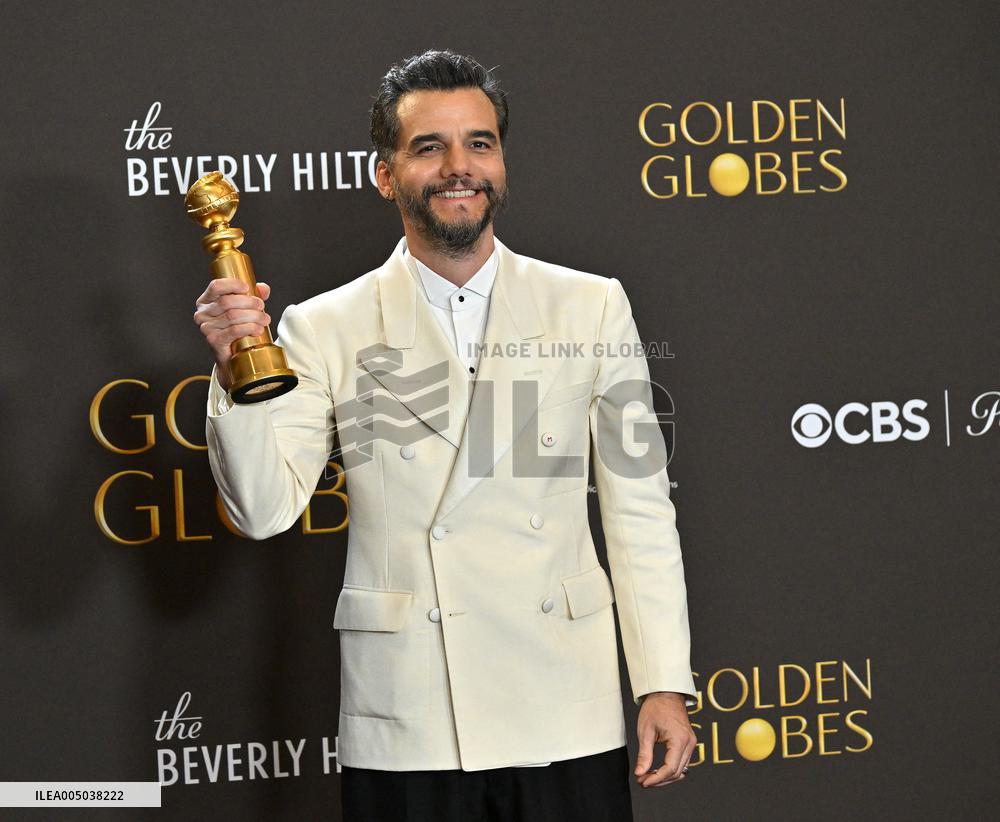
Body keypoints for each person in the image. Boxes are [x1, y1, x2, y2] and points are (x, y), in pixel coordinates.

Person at [194, 49, 698, 821]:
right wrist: (238, 369)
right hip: (413, 714)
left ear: (501, 161)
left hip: (564, 701)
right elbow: (263, 509)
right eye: (430, 147)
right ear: (386, 174)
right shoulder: (322, 325)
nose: (459, 166)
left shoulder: (590, 306)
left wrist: (662, 677)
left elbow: (639, 509)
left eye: (479, 143)